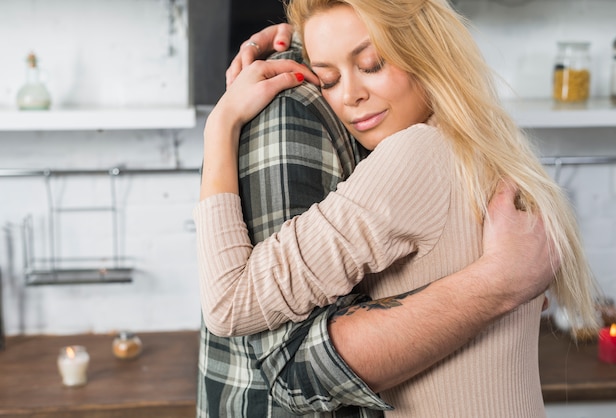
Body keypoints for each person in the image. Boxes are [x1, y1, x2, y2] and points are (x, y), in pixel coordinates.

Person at [194, 3, 581, 416]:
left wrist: (222, 124)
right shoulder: (488, 148)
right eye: (328, 77)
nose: (349, 95)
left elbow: (228, 303)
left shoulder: (415, 154)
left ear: (428, 49)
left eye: (372, 63)